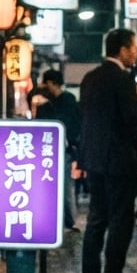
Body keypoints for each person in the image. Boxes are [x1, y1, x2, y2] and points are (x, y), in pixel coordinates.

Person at [77, 28, 137, 273]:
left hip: (94, 160)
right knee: (119, 219)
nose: (136, 53)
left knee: (96, 218)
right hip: (119, 160)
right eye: (134, 47)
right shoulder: (122, 79)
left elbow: (86, 120)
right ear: (123, 49)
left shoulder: (90, 78)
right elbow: (132, 121)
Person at [35, 68, 82, 232]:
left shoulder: (67, 100)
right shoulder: (47, 104)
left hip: (62, 149)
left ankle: (68, 220)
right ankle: (61, 219)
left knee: (64, 185)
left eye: (45, 84)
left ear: (51, 83)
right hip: (52, 148)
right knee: (57, 185)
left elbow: (71, 125)